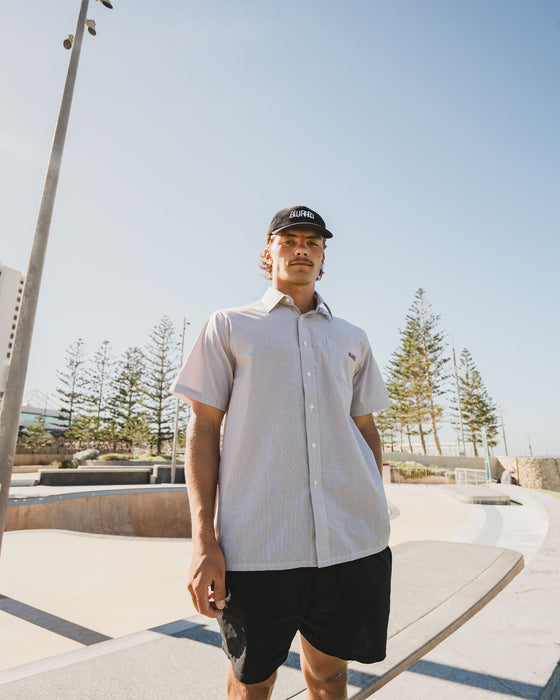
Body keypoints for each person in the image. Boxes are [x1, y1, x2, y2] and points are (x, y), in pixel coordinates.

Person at [171, 205, 392, 700]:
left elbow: (366, 429)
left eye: (312, 242)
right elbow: (203, 429)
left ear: (323, 257)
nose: (301, 249)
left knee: (331, 677)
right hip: (258, 548)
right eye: (289, 239)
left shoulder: (351, 337)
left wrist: (374, 499)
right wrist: (203, 541)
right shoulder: (229, 325)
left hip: (351, 545)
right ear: (268, 251)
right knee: (251, 683)